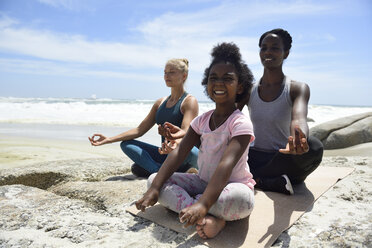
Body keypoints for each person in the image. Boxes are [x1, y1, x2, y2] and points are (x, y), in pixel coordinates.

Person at [135, 42, 255, 239]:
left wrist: (203, 203)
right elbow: (179, 152)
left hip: (232, 186)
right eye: (213, 78)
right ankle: (206, 215)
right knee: (153, 180)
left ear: (240, 86)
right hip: (203, 182)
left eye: (227, 79)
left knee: (239, 199)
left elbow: (226, 165)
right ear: (206, 84)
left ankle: (206, 212)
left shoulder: (240, 124)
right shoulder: (202, 121)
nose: (218, 83)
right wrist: (155, 188)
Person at [237, 28, 324, 195]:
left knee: (314, 147)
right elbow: (229, 118)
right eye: (264, 48)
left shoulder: (297, 88)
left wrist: (300, 140)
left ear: (286, 53)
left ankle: (254, 179)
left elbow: (298, 118)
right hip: (253, 157)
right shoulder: (249, 90)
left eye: (275, 48)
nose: (268, 52)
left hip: (282, 157)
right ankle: (265, 181)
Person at [89, 58, 199, 178]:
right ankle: (159, 171)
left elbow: (186, 131)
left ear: (184, 76)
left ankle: (159, 171)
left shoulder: (189, 101)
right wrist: (109, 140)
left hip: (182, 153)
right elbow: (139, 130)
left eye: (171, 72)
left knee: (192, 151)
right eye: (165, 72)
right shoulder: (160, 103)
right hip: (165, 154)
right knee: (127, 144)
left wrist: (175, 143)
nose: (166, 76)